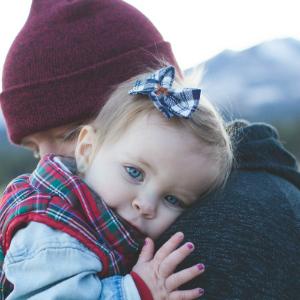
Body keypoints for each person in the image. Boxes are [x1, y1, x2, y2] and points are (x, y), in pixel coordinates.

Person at [0, 0, 299, 299]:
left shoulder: (226, 230)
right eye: (35, 151)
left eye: (69, 134)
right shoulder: (54, 224)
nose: (48, 164)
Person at [0, 66, 233, 299]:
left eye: (172, 199)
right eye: (134, 172)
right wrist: (134, 292)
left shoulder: (98, 221)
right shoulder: (54, 233)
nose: (146, 205)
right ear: (87, 150)